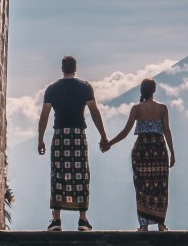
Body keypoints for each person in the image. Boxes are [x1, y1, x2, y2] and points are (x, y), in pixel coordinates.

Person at [37, 55, 109, 232]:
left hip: (60, 135)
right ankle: (83, 220)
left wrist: (40, 139)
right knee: (81, 174)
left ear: (62, 68)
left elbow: (44, 115)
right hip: (77, 134)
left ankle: (56, 220)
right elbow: (94, 112)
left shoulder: (52, 89)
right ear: (75, 68)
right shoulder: (84, 87)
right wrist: (103, 135)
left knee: (58, 174)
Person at [104, 78, 176, 231]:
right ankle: (161, 223)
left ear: (142, 91)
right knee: (160, 186)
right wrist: (172, 152)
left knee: (141, 186)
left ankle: (143, 225)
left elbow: (125, 132)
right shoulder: (162, 108)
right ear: (154, 90)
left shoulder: (136, 109)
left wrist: (110, 143)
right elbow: (167, 131)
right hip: (158, 149)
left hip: (141, 150)